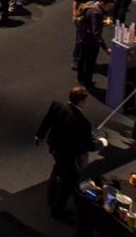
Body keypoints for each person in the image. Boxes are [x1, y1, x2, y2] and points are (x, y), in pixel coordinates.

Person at [36, 86, 100, 220]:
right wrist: (101, 143)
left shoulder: (58, 106)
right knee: (69, 181)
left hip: (55, 147)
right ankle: (57, 210)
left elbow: (48, 120)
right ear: (81, 102)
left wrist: (39, 135)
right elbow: (88, 145)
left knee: (58, 170)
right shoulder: (83, 123)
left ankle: (51, 197)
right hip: (68, 154)